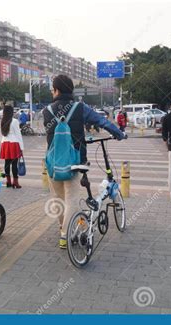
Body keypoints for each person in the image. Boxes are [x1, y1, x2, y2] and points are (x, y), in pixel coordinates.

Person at [43, 74, 125, 249]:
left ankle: (62, 227)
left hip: (53, 163)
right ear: (71, 90)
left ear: (56, 90)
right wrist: (119, 134)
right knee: (72, 197)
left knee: (58, 198)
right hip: (75, 161)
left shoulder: (46, 111)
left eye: (53, 89)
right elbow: (101, 121)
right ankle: (66, 235)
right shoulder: (80, 108)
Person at [0, 105, 24, 189]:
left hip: (5, 143)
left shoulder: (1, 121)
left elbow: (0, 134)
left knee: (7, 163)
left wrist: (2, 143)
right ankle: (15, 183)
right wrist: (22, 147)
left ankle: (8, 181)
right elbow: (18, 134)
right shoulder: (15, 121)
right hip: (14, 143)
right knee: (14, 164)